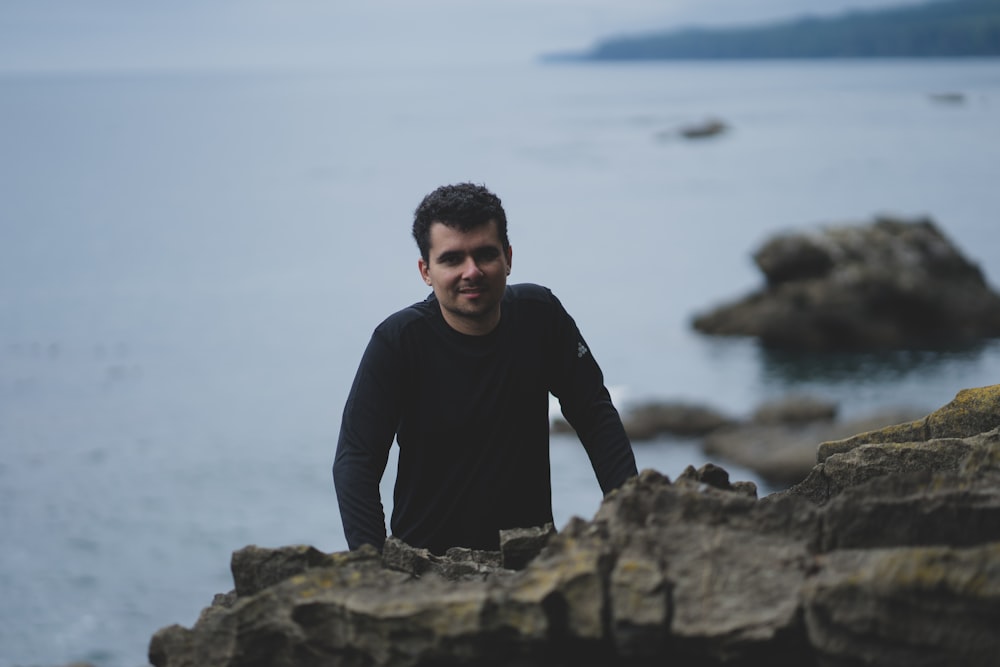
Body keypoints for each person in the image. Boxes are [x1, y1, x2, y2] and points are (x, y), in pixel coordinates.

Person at [333, 183, 637, 554]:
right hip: (429, 566)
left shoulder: (540, 316)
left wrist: (630, 519)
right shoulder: (398, 342)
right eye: (452, 259)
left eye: (485, 255)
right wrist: (372, 567)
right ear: (425, 270)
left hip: (532, 559)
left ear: (508, 257)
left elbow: (595, 416)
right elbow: (356, 461)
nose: (472, 271)